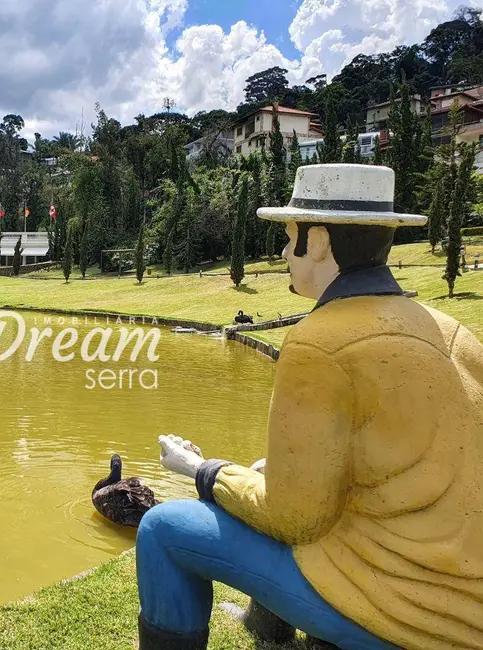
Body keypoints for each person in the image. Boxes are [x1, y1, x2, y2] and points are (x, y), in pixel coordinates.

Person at [136, 164, 483, 650]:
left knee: (162, 530)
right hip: (469, 605)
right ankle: (269, 629)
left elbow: (294, 519)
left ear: (317, 242)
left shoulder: (320, 343)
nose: (283, 252)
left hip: (406, 613)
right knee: (258, 481)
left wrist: (202, 469)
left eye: (288, 236)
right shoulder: (454, 331)